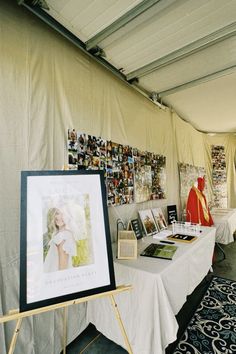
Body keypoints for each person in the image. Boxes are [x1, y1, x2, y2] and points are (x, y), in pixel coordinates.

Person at [44, 208, 77, 272]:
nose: (64, 215)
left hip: (55, 272)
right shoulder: (59, 234)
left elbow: (63, 267)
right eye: (58, 213)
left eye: (62, 213)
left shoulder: (63, 236)